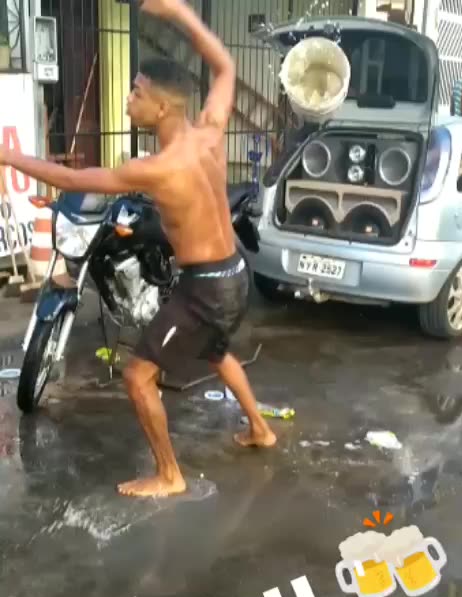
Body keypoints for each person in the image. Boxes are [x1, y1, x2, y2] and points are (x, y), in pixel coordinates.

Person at [0, 0, 276, 498]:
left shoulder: (156, 168)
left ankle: (169, 475)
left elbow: (72, 178)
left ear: (162, 108)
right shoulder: (210, 132)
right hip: (234, 273)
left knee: (137, 375)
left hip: (204, 290)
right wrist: (178, 12)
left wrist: (7, 155)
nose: (129, 99)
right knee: (214, 350)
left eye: (137, 92)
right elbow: (225, 66)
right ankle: (260, 428)